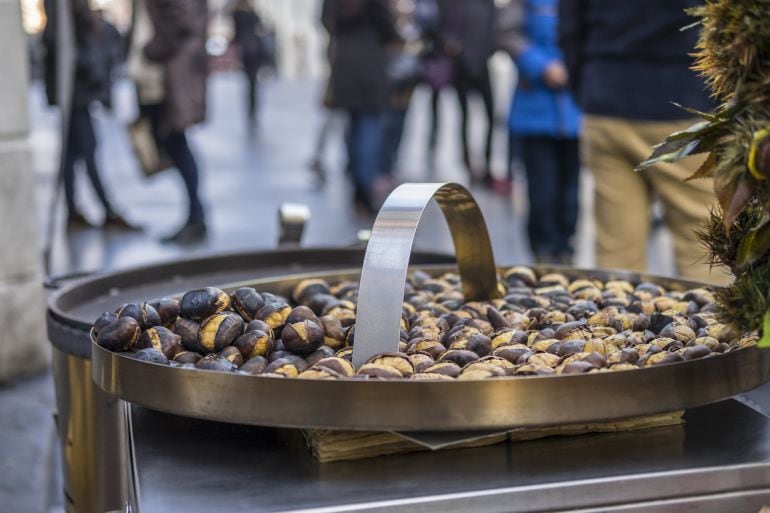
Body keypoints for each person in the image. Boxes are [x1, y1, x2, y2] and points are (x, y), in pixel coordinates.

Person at [559, 0, 722, 282]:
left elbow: (569, 27)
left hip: (607, 98)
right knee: (702, 253)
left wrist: (587, 86)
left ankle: (615, 324)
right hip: (684, 102)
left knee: (617, 257)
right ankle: (711, 326)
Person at [499, 0, 581, 264]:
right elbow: (507, 33)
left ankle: (565, 244)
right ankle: (543, 249)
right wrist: (541, 67)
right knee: (541, 188)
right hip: (535, 108)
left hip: (574, 110)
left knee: (570, 189)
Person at [44, 1, 136, 229]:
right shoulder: (63, 9)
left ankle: (76, 211)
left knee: (73, 154)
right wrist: (89, 69)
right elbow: (59, 43)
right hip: (76, 92)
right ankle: (107, 210)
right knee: (87, 150)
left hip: (76, 90)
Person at [128, 0, 208, 243]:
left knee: (176, 143)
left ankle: (197, 217)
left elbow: (180, 21)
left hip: (164, 74)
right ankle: (195, 216)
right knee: (172, 142)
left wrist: (151, 51)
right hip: (158, 74)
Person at [322, 0, 401, 216]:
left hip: (344, 67)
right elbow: (388, 27)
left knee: (354, 129)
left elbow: (325, 20)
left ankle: (359, 186)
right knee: (369, 128)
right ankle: (364, 188)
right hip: (370, 67)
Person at [438, 0, 496, 184]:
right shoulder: (453, 4)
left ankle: (486, 163)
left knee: (490, 116)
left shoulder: (486, 4)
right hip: (462, 66)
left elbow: (494, 29)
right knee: (464, 117)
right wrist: (453, 47)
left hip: (481, 65)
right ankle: (467, 162)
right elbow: (443, 29)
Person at [231, 0, 264, 127]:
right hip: (255, 47)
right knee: (253, 80)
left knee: (249, 80)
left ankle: (251, 105)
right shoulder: (251, 12)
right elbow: (260, 25)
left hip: (245, 49)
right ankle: (253, 105)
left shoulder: (236, 13)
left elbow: (236, 33)